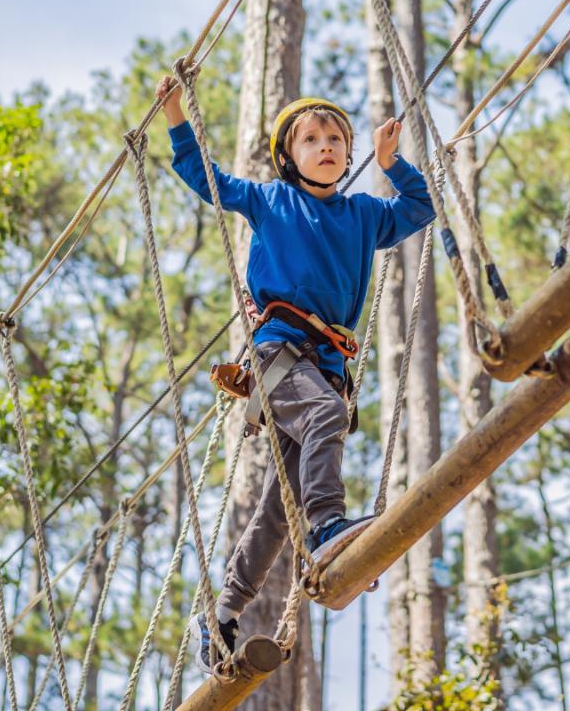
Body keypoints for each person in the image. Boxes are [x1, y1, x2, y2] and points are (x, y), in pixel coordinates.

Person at [153, 75, 435, 673]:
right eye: (312, 138)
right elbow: (207, 179)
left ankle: (222, 616)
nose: (327, 146)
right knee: (326, 418)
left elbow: (419, 209)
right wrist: (176, 113)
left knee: (277, 515)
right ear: (289, 156)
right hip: (277, 354)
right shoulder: (271, 201)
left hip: (324, 367)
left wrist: (393, 163)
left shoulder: (363, 214)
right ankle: (328, 523)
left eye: (337, 138)